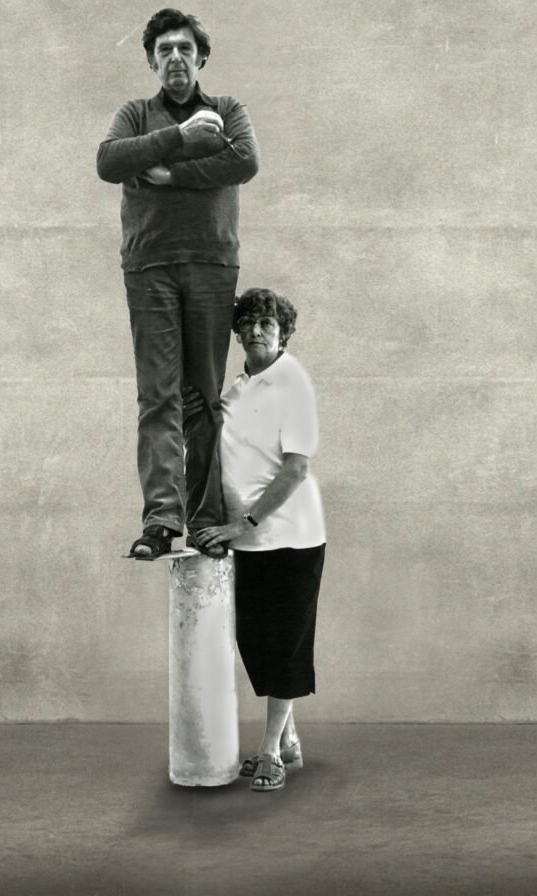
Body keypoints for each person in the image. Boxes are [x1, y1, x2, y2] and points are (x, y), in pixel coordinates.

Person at [97, 8, 260, 560]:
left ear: (201, 57)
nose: (174, 58)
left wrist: (169, 174)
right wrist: (182, 137)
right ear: (151, 60)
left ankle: (206, 521)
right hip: (150, 267)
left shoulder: (228, 110)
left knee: (205, 399)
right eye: (164, 49)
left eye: (185, 49)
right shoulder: (135, 114)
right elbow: (109, 161)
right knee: (158, 396)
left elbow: (244, 160)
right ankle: (161, 521)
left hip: (212, 264)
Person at [189, 287, 326, 793]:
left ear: (283, 332)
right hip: (245, 540)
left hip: (291, 536)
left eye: (266, 323)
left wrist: (242, 523)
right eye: (247, 322)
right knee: (257, 644)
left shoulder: (292, 382)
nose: (255, 330)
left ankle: (269, 753)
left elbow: (296, 469)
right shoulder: (240, 386)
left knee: (285, 645)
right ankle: (288, 740)